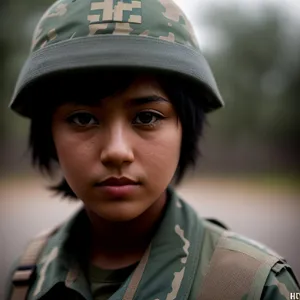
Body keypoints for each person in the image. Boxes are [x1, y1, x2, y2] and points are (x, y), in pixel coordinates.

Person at [6, 0, 300, 299]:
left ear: (185, 129)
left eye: (147, 117)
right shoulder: (29, 276)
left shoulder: (255, 286)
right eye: (83, 118)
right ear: (49, 133)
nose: (117, 151)